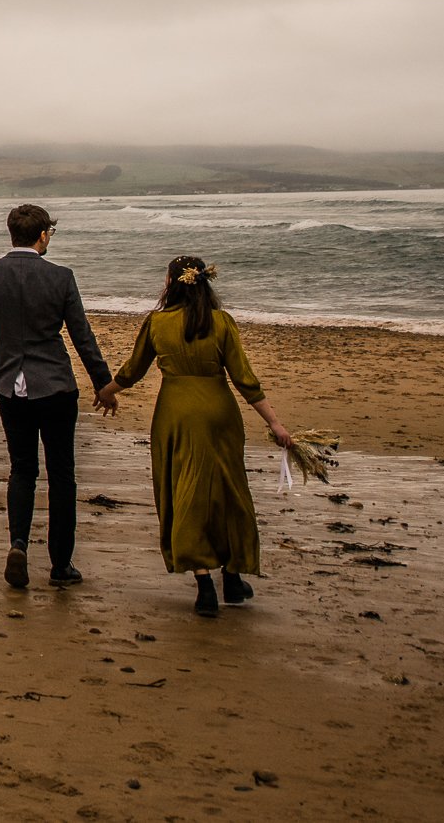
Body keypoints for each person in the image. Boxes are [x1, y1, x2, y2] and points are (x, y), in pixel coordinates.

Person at [94, 256, 296, 617]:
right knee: (229, 490)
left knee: (184, 489)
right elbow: (245, 380)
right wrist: (276, 425)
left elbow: (132, 371)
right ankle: (232, 579)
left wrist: (107, 391)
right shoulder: (221, 322)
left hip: (177, 414)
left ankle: (204, 584)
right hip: (220, 412)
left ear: (171, 282)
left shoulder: (158, 323)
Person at [0, 203, 111, 589]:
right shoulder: (61, 277)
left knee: (22, 469)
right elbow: (82, 336)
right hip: (55, 385)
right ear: (43, 235)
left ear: (11, 233)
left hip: (9, 385)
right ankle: (61, 565)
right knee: (62, 474)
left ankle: (18, 543)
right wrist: (104, 384)